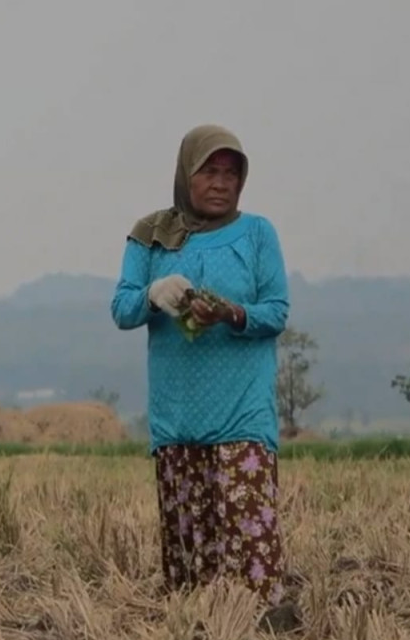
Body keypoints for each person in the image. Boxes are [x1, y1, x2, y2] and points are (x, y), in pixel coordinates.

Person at [110, 124, 289, 605]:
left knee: (252, 557)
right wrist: (153, 294)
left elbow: (277, 311)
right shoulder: (152, 236)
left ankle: (261, 632)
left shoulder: (257, 234)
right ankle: (202, 638)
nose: (221, 183)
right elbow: (122, 309)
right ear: (185, 174)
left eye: (231, 174)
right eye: (209, 172)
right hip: (179, 421)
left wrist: (232, 313)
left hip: (243, 416)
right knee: (192, 573)